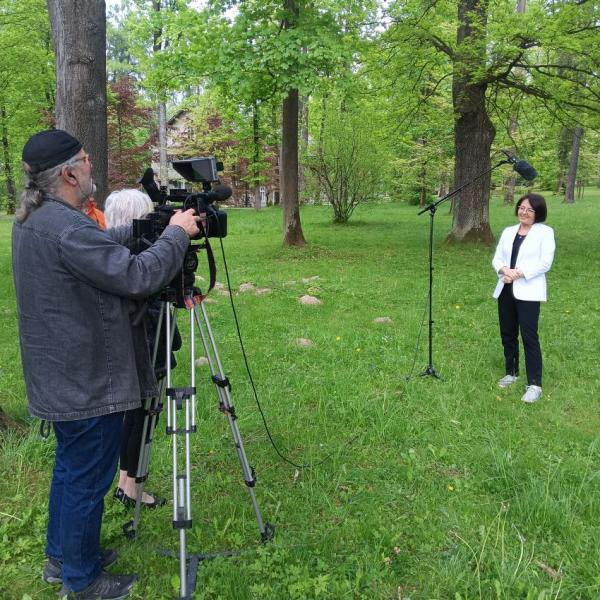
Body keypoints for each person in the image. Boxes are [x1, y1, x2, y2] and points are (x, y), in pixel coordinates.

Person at [12, 129, 200, 600]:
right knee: (86, 479)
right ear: (69, 174)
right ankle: (82, 580)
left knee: (71, 470)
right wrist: (177, 233)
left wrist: (143, 229)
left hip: (61, 374)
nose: (91, 164)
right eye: (85, 159)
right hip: (87, 378)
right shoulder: (69, 228)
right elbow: (137, 276)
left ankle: (62, 558)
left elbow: (97, 250)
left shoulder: (39, 218)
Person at [104, 188, 177, 508]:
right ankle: (133, 486)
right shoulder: (141, 262)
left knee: (133, 416)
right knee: (145, 415)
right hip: (147, 342)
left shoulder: (109, 255)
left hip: (125, 345)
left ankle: (125, 481)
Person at [492, 193, 556, 403]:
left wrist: (517, 274)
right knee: (507, 333)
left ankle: (534, 385)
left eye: (529, 209)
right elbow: (497, 258)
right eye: (521, 207)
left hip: (528, 291)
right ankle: (511, 372)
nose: (524, 212)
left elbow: (545, 263)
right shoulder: (508, 231)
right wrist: (504, 270)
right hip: (505, 288)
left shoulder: (545, 233)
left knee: (529, 336)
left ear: (538, 213)